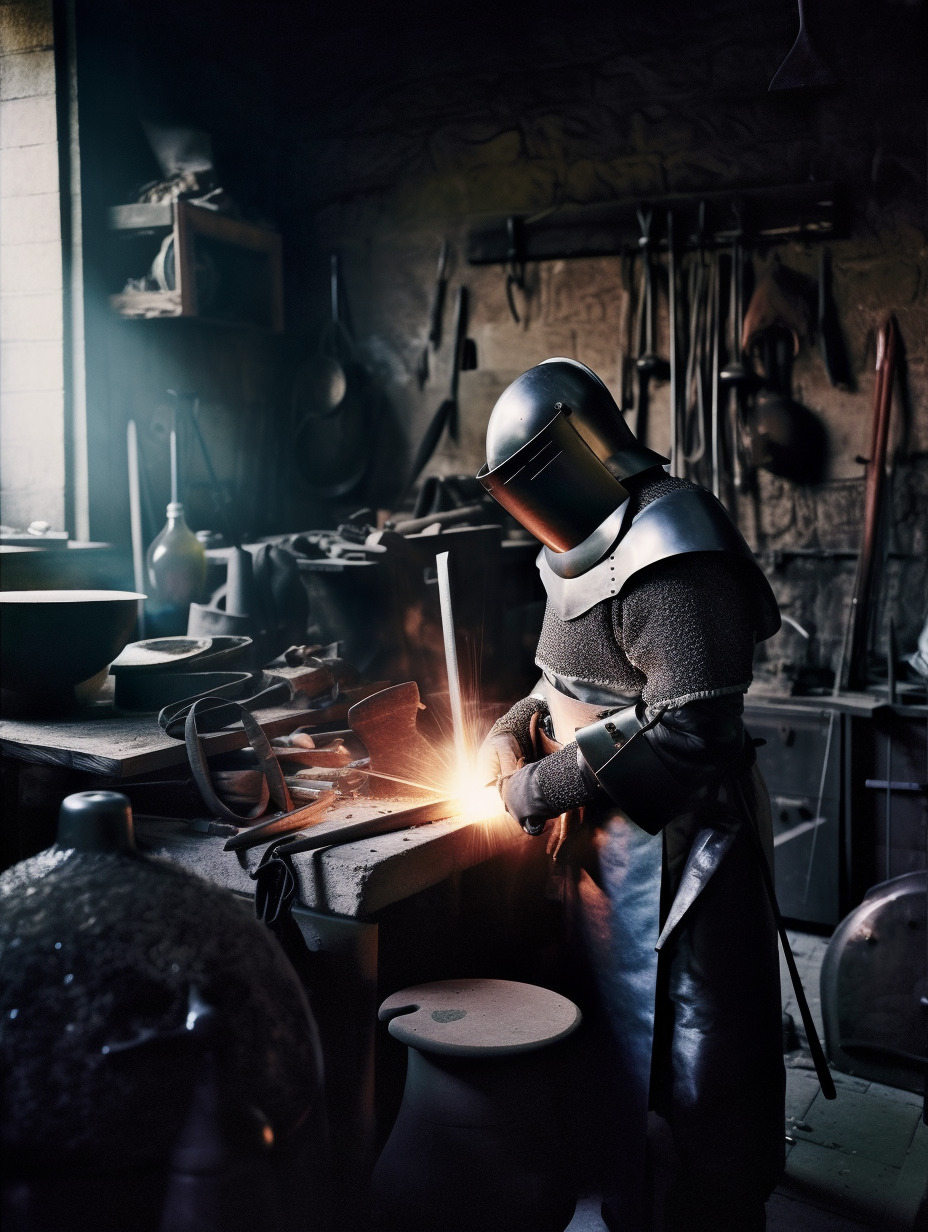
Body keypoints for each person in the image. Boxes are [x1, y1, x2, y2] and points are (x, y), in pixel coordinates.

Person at [477, 358, 785, 1232]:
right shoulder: (571, 551)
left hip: (692, 851)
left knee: (703, 1067)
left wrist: (539, 784)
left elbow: (692, 729)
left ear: (575, 447)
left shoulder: (672, 539)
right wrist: (512, 728)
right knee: (613, 1054)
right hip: (606, 850)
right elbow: (561, 682)